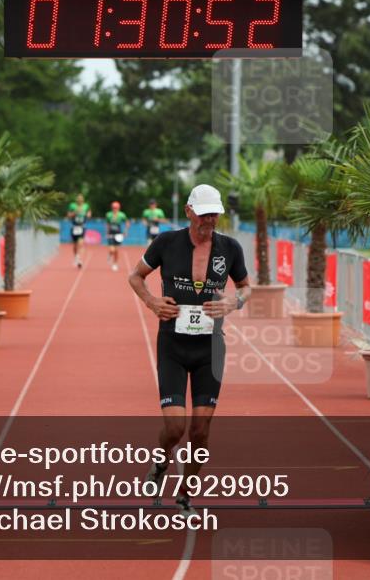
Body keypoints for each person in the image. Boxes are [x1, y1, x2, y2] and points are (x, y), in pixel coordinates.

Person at [127, 184, 251, 513]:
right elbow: (135, 277)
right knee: (175, 428)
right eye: (204, 213)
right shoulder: (167, 243)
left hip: (210, 348)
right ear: (189, 211)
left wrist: (232, 302)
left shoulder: (231, 248)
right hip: (172, 344)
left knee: (200, 431)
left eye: (215, 214)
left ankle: (184, 495)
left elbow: (246, 288)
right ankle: (161, 461)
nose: (209, 219)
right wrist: (153, 302)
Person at [66, 193, 91, 269]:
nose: (80, 200)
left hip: (81, 227)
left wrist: (87, 215)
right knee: (74, 245)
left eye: (81, 199)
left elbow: (89, 214)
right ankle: (76, 257)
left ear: (83, 200)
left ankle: (79, 259)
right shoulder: (72, 206)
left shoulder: (86, 206)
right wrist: (75, 212)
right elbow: (68, 216)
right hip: (74, 227)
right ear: (77, 200)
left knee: (80, 243)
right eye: (78, 199)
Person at [105, 201, 129, 271]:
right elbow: (107, 224)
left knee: (116, 250)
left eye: (116, 208)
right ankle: (110, 254)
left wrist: (125, 231)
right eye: (113, 208)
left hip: (118, 234)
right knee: (111, 249)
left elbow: (127, 222)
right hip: (111, 234)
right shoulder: (108, 215)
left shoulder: (122, 215)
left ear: (118, 208)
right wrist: (107, 233)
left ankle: (115, 264)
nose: (114, 209)